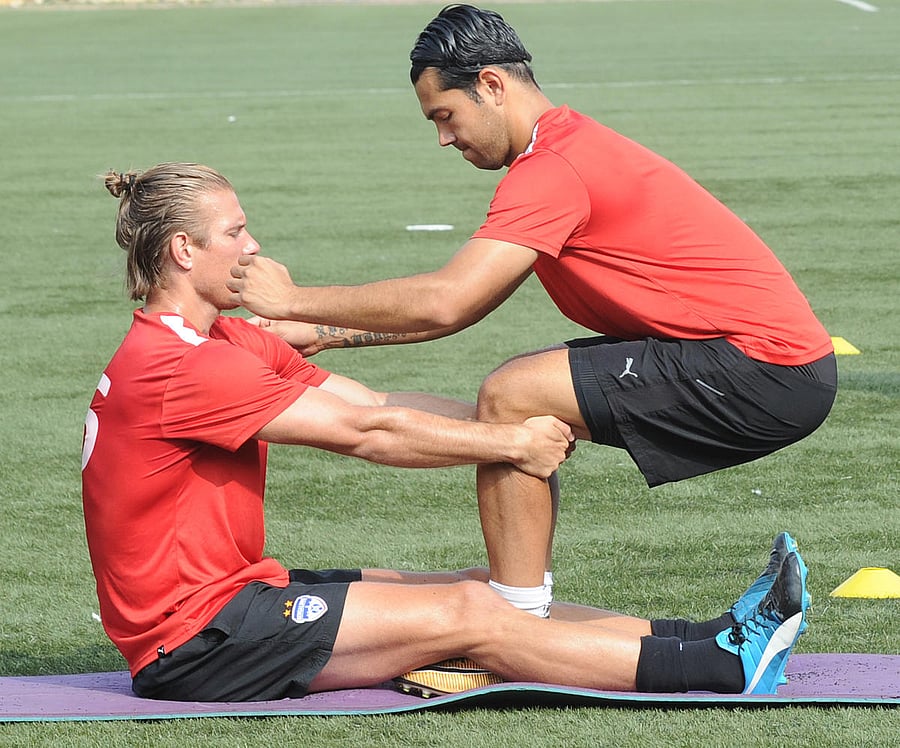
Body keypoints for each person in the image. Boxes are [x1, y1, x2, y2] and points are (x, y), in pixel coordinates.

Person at [83, 162, 807, 702]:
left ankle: (705, 635)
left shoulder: (222, 345)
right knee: (470, 614)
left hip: (238, 599)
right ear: (182, 251)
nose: (252, 245)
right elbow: (367, 432)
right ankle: (720, 668)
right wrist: (508, 444)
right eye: (235, 232)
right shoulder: (179, 366)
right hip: (199, 644)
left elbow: (375, 397)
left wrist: (509, 416)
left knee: (475, 586)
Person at [226, 4, 837, 623]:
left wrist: (292, 300)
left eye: (445, 115)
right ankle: (521, 615)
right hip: (762, 362)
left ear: (490, 85)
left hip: (765, 369)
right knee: (516, 402)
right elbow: (462, 309)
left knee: (514, 395)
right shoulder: (559, 149)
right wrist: (326, 335)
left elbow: (446, 300)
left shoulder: (553, 168)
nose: (443, 137)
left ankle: (514, 627)